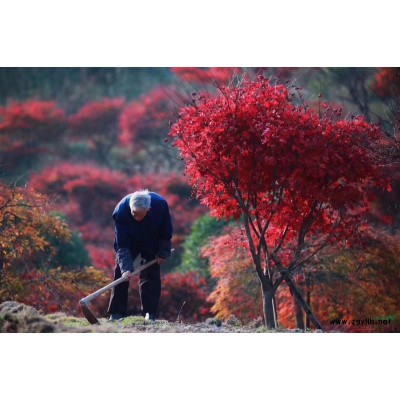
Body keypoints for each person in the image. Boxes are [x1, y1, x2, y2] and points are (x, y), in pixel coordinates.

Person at [107, 189, 173, 321]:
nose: (135, 216)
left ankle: (150, 313)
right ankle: (116, 313)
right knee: (121, 272)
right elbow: (122, 244)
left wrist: (162, 252)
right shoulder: (121, 211)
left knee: (151, 272)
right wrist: (126, 268)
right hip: (129, 240)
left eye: (139, 214)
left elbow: (166, 232)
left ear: (148, 210)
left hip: (151, 238)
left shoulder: (160, 205)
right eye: (133, 213)